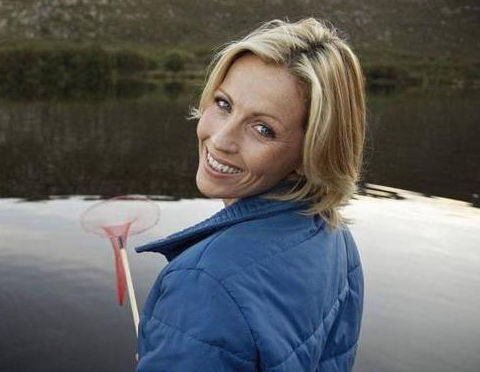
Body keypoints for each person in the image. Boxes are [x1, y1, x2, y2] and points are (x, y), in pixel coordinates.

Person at [135, 18, 366, 371]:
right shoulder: (334, 236)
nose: (221, 139)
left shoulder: (204, 284)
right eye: (224, 104)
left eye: (263, 129)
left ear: (311, 154)